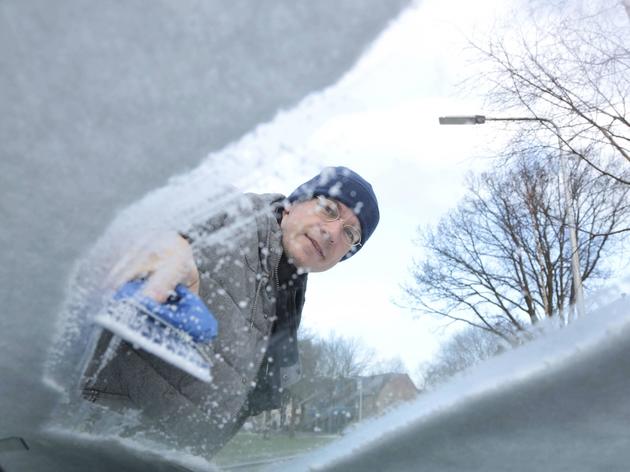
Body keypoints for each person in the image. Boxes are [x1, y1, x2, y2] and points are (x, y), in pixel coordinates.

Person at [81, 166, 380, 456]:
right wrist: (167, 241)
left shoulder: (290, 302)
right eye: (328, 209)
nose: (332, 233)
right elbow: (154, 206)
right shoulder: (233, 215)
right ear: (293, 203)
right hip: (87, 439)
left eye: (350, 234)